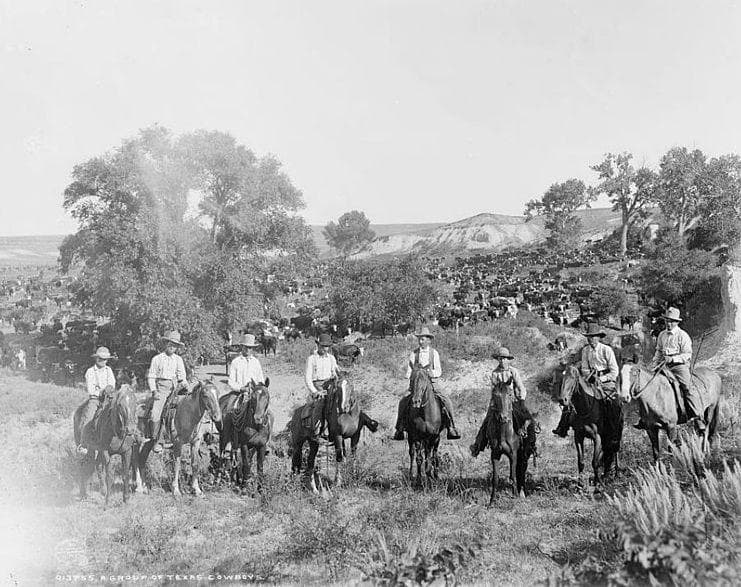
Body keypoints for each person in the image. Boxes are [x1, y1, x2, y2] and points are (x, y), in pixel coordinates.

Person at [392, 327, 461, 441]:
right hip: (416, 384)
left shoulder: (434, 353)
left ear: (429, 340)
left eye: (423, 339)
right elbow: (410, 370)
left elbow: (439, 371)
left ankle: (451, 427)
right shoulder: (414, 353)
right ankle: (399, 428)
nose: (420, 341)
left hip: (432, 383)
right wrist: (410, 375)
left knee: (446, 400)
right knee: (403, 401)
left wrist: (430, 373)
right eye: (419, 339)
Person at [553, 323, 618, 437]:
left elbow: (614, 371)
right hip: (590, 379)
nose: (591, 339)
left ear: (598, 337)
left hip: (606, 381)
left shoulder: (606, 350)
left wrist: (601, 378)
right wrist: (589, 377)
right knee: (572, 396)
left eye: (593, 337)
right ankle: (563, 426)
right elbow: (584, 368)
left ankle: (612, 428)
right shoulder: (585, 350)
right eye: (589, 337)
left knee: (611, 402)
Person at [636, 307, 697, 429]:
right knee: (648, 383)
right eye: (667, 321)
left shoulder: (682, 335)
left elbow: (687, 354)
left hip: (679, 367)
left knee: (687, 387)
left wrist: (673, 359)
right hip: (663, 366)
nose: (669, 324)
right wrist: (654, 364)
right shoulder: (662, 335)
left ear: (677, 322)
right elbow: (658, 351)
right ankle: (646, 417)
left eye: (672, 321)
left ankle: (695, 414)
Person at [470, 346, 536, 457]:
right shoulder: (495, 373)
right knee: (487, 421)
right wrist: (493, 402)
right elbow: (494, 389)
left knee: (528, 419)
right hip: (499, 402)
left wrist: (521, 400)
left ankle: (531, 444)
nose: (503, 361)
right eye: (500, 358)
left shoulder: (513, 371)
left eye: (505, 358)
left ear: (508, 360)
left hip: (513, 400)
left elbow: (521, 387)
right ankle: (478, 445)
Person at [147, 330, 187, 453]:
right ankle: (156, 440)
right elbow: (151, 376)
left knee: (185, 409)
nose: (172, 347)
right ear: (166, 344)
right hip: (161, 387)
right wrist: (154, 391)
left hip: (175, 388)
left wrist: (184, 384)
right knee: (156, 413)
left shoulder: (178, 359)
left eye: (175, 345)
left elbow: (182, 375)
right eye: (170, 344)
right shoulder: (157, 359)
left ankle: (182, 436)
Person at [225, 333, 266, 452]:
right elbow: (231, 382)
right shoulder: (236, 362)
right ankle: (228, 442)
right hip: (239, 392)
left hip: (254, 394)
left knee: (267, 413)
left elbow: (261, 380)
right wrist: (241, 388)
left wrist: (258, 389)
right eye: (246, 347)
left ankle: (264, 439)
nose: (248, 350)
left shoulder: (256, 362)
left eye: (250, 348)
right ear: (241, 347)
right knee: (228, 411)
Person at [77, 346, 116, 455]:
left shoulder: (109, 370)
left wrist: (109, 389)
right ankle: (83, 443)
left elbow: (112, 383)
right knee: (89, 417)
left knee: (119, 412)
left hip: (108, 398)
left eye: (105, 359)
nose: (103, 361)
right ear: (96, 359)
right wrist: (101, 392)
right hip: (96, 399)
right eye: (101, 359)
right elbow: (91, 389)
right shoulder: (90, 371)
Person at [304, 333, 340, 438]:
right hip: (317, 385)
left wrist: (337, 374)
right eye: (323, 346)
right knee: (321, 402)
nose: (325, 348)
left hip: (330, 384)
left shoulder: (332, 358)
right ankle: (317, 430)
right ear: (318, 345)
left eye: (327, 346)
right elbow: (307, 378)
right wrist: (314, 391)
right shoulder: (312, 359)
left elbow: (335, 371)